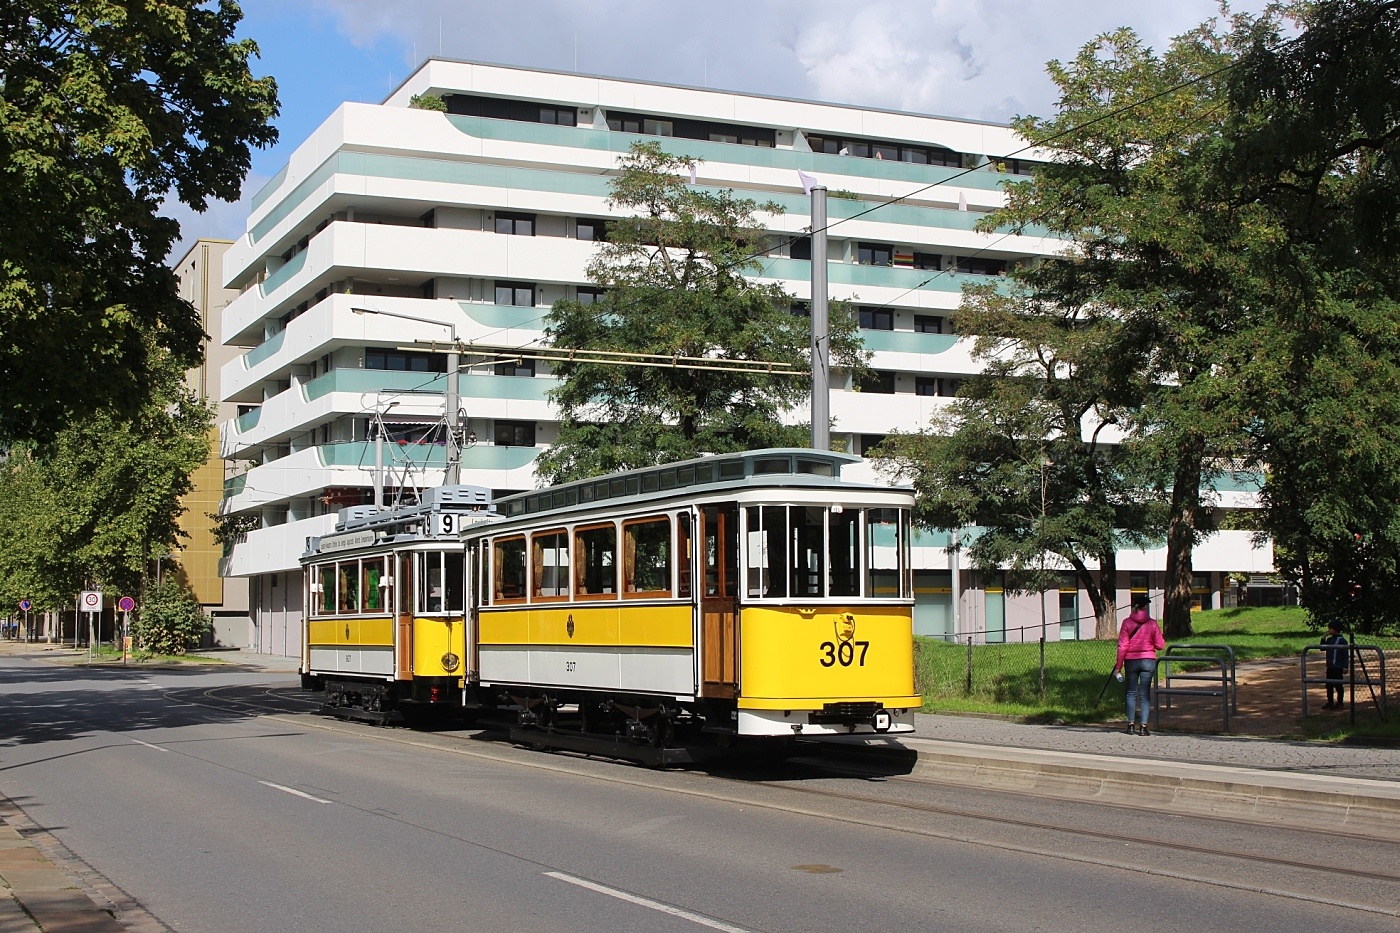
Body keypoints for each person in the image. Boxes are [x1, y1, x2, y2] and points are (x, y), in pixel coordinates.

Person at [1114, 594, 1165, 736]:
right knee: (1144, 695)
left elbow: (1122, 646)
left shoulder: (1126, 623)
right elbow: (1160, 645)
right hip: (1148, 660)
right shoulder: (1152, 623)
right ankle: (1143, 726)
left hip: (1131, 661)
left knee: (1131, 693)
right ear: (1145, 606)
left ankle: (1130, 725)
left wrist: (1118, 666)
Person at [1321, 622, 1349, 709]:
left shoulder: (1342, 641)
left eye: (1330, 628)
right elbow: (1322, 648)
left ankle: (1340, 702)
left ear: (1335, 629)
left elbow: (1345, 655)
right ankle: (1330, 702)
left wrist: (1345, 666)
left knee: (1338, 685)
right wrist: (1323, 638)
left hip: (1338, 667)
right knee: (1329, 685)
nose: (1329, 630)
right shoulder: (1329, 640)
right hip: (1330, 666)